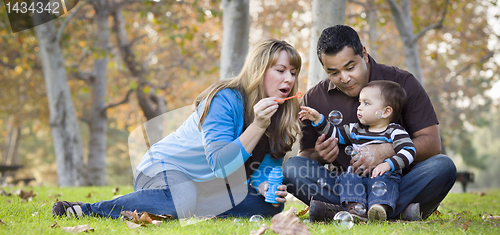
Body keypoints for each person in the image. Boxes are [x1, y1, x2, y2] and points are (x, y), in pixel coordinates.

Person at [52, 39, 302, 219]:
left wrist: (263, 186)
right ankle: (88, 209)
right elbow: (220, 164)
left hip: (206, 188)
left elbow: (264, 171)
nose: (288, 80)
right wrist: (258, 125)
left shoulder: (279, 115)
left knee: (270, 206)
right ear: (258, 70)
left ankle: (180, 208)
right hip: (164, 170)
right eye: (280, 71)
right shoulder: (225, 99)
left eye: (293, 72)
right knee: (182, 197)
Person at [282, 25, 457, 221]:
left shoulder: (402, 83)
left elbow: (432, 144)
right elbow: (305, 156)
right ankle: (392, 213)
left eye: (350, 67)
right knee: (292, 168)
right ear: (324, 69)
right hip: (345, 184)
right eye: (333, 72)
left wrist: (386, 151)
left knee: (443, 167)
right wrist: (319, 155)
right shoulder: (314, 99)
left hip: (396, 182)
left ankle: (340, 212)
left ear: (364, 54)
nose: (345, 78)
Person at [299, 80, 415, 222]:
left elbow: (409, 151)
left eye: (366, 103)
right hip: (358, 177)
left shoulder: (394, 131)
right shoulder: (355, 129)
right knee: (348, 177)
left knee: (386, 180)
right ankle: (355, 208)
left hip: (383, 176)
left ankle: (378, 208)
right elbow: (334, 133)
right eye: (360, 103)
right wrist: (318, 119)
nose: (359, 108)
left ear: (386, 112)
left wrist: (388, 165)